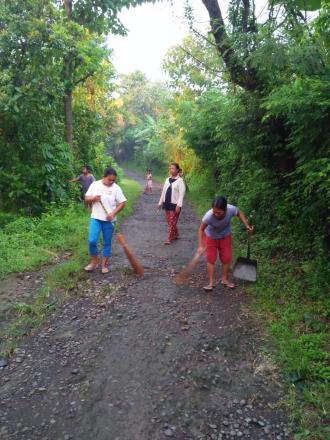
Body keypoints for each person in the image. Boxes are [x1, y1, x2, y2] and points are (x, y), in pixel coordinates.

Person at [197, 196, 253, 291]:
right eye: (214, 211)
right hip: (211, 237)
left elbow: (239, 213)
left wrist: (247, 226)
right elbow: (201, 229)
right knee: (211, 259)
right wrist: (201, 245)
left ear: (225, 209)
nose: (216, 214)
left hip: (225, 236)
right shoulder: (208, 216)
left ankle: (224, 280)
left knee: (226, 258)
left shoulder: (231, 209)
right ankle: (211, 283)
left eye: (219, 212)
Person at [84, 166, 127, 274]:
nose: (111, 182)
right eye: (109, 179)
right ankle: (94, 262)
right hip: (96, 218)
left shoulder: (116, 188)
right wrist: (93, 198)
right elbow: (86, 198)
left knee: (106, 243)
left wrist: (113, 213)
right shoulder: (95, 185)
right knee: (92, 241)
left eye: (113, 180)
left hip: (109, 221)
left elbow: (122, 203)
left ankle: (103, 265)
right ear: (104, 177)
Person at [157, 162, 186, 245]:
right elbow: (163, 192)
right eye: (170, 168)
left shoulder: (180, 181)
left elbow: (181, 194)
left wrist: (179, 205)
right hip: (166, 203)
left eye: (173, 168)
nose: (171, 170)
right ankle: (176, 233)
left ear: (177, 170)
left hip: (175, 205)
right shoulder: (167, 179)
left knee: (172, 222)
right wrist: (160, 203)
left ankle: (169, 238)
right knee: (170, 221)